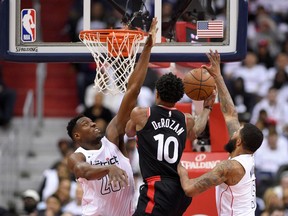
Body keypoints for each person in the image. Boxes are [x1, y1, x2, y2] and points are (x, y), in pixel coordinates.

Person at [66, 17, 158, 216]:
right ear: (77, 136)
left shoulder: (113, 138)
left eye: (91, 121)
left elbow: (132, 91)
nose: (92, 124)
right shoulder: (78, 156)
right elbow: (83, 170)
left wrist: (147, 49)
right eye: (85, 124)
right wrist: (109, 168)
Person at [177, 50, 264, 216]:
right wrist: (217, 76)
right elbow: (230, 114)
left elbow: (189, 189)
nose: (234, 130)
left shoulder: (230, 167)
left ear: (239, 142)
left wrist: (180, 168)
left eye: (237, 131)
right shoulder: (246, 156)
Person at [125, 73, 216, 215]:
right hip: (180, 189)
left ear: (157, 93)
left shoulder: (142, 114)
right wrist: (206, 108)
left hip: (158, 188)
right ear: (179, 97)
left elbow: (129, 132)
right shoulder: (187, 120)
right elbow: (196, 132)